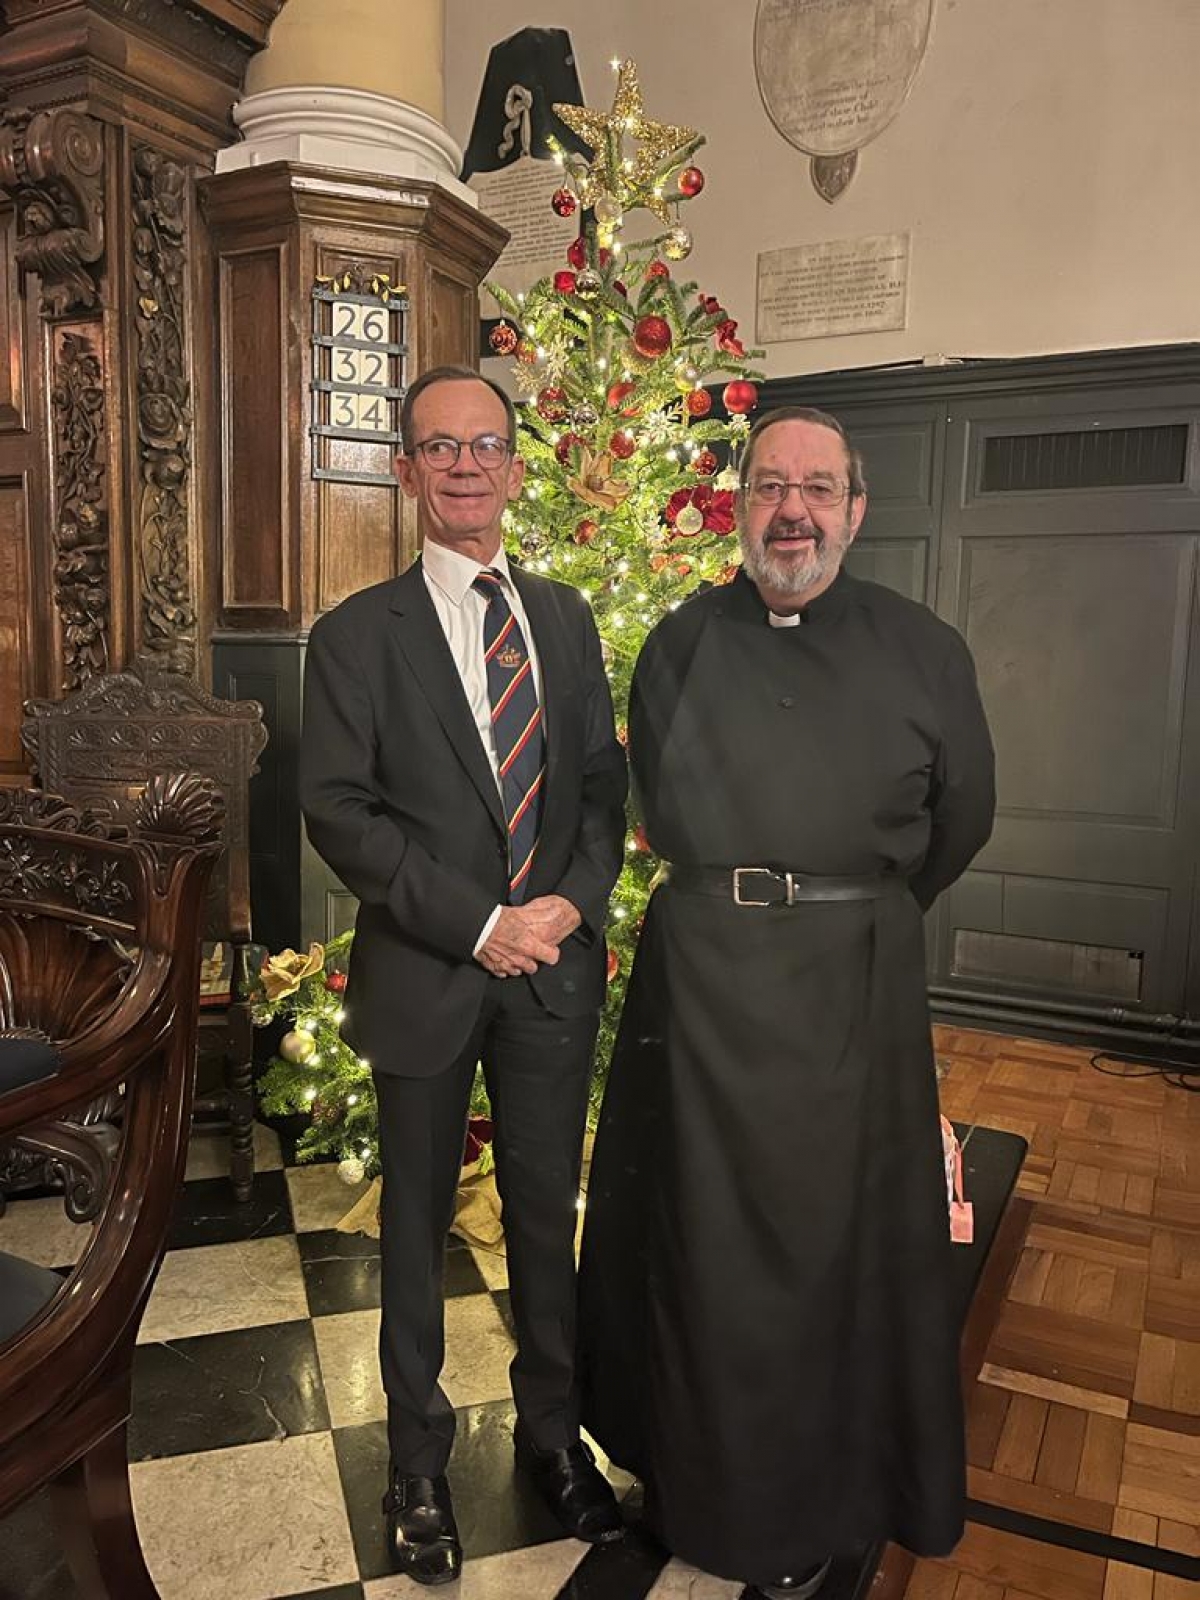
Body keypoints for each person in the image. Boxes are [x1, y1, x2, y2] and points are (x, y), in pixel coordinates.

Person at [578, 406, 995, 1598]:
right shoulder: (677, 641)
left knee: (827, 1258)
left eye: (819, 488)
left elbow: (959, 816)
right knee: (694, 1249)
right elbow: (655, 798)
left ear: (857, 509)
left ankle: (812, 1502)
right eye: (770, 486)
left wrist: (846, 906)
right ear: (740, 502)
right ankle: (687, 1478)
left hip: (848, 986)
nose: (793, 511)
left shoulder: (925, 649)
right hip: (700, 985)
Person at [300, 366, 628, 1585]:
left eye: (484, 444)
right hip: (429, 973)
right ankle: (419, 1463)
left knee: (548, 1217)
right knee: (415, 1231)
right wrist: (479, 919)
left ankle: (554, 1437)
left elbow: (601, 788)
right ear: (408, 470)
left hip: (549, 973)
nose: (465, 466)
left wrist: (563, 905)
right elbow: (339, 813)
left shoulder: (567, 616)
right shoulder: (352, 636)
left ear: (513, 462)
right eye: (439, 447)